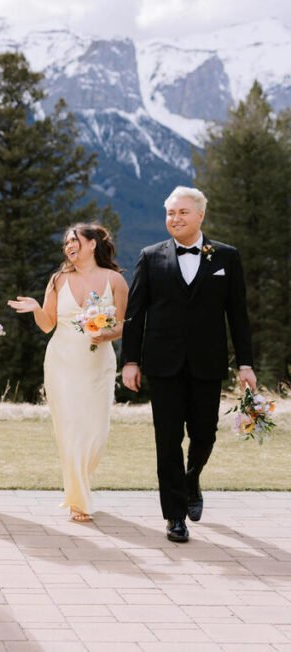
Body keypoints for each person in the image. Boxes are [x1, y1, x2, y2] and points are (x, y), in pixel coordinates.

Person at [121, 186, 254, 543]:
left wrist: (246, 364)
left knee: (204, 435)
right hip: (162, 363)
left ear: (200, 216)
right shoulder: (150, 257)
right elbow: (135, 313)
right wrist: (130, 360)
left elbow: (238, 316)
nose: (175, 219)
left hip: (207, 363)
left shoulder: (226, 257)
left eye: (182, 212)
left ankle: (191, 478)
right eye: (170, 213)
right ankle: (175, 517)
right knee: (167, 441)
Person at [8, 224, 128, 522]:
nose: (68, 246)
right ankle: (78, 498)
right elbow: (48, 324)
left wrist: (106, 334)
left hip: (98, 363)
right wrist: (37, 307)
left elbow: (125, 324)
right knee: (70, 429)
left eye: (74, 241)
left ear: (92, 244)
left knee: (96, 431)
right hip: (61, 362)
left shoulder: (115, 280)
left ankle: (81, 484)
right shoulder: (58, 280)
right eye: (65, 243)